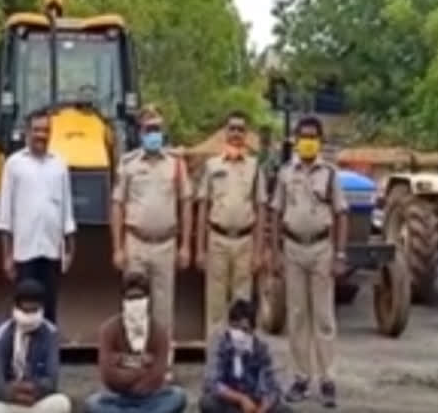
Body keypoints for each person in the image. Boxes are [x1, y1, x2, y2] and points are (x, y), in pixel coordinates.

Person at [271, 116, 348, 408]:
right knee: (298, 315)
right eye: (303, 136)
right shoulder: (285, 173)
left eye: (313, 136)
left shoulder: (329, 174)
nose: (307, 141)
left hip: (321, 249)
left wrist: (339, 255)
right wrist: (275, 252)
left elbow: (341, 214)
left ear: (320, 141)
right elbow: (275, 212)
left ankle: (328, 379)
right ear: (295, 138)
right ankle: (301, 377)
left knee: (324, 317)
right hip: (292, 248)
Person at [110, 105, 192, 371]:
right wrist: (118, 247)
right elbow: (118, 206)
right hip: (136, 242)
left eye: (157, 129)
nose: (153, 134)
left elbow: (186, 204)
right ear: (140, 132)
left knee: (163, 310)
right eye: (148, 130)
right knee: (134, 307)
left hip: (166, 244)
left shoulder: (176, 165)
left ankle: (162, 366)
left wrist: (186, 245)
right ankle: (135, 359)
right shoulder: (129, 164)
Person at [0, 108, 76, 324]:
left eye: (46, 130)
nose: (41, 134)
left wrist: (69, 247)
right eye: (36, 130)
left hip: (51, 250)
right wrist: (7, 255)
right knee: (24, 307)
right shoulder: (14, 164)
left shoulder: (59, 164)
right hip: (24, 251)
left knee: (49, 307)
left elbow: (66, 209)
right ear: (27, 132)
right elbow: (5, 215)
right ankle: (22, 352)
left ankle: (47, 352)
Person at [196, 111, 267, 339]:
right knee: (215, 307)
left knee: (242, 305)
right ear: (225, 133)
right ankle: (216, 365)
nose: (236, 133)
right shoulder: (211, 166)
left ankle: (240, 363)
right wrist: (200, 249)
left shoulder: (255, 167)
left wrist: (259, 251)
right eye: (232, 128)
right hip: (217, 239)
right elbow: (203, 208)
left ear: (246, 135)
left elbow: (261, 209)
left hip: (245, 242)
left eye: (240, 129)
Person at [85, 272, 187, 413]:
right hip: (118, 396)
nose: (135, 304)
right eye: (131, 299)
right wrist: (143, 366)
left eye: (140, 298)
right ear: (123, 302)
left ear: (148, 300)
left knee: (178, 396)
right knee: (93, 402)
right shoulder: (108, 330)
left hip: (149, 397)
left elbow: (157, 376)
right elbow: (108, 375)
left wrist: (120, 361)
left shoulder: (159, 332)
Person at [0, 279, 71, 413]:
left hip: (38, 402)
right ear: (15, 307)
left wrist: (31, 388)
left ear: (41, 308)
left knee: (61, 402)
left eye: (34, 310)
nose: (29, 316)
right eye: (25, 311)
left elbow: (52, 381)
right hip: (9, 403)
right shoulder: (1, 334)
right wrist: (14, 394)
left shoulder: (50, 333)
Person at [199, 300, 290, 413]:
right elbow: (212, 383)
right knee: (208, 402)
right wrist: (241, 399)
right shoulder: (221, 344)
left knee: (283, 410)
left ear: (252, 330)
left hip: (254, 404)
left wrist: (262, 409)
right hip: (230, 402)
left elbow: (272, 389)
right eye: (235, 328)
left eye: (244, 329)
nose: (239, 333)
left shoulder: (260, 349)